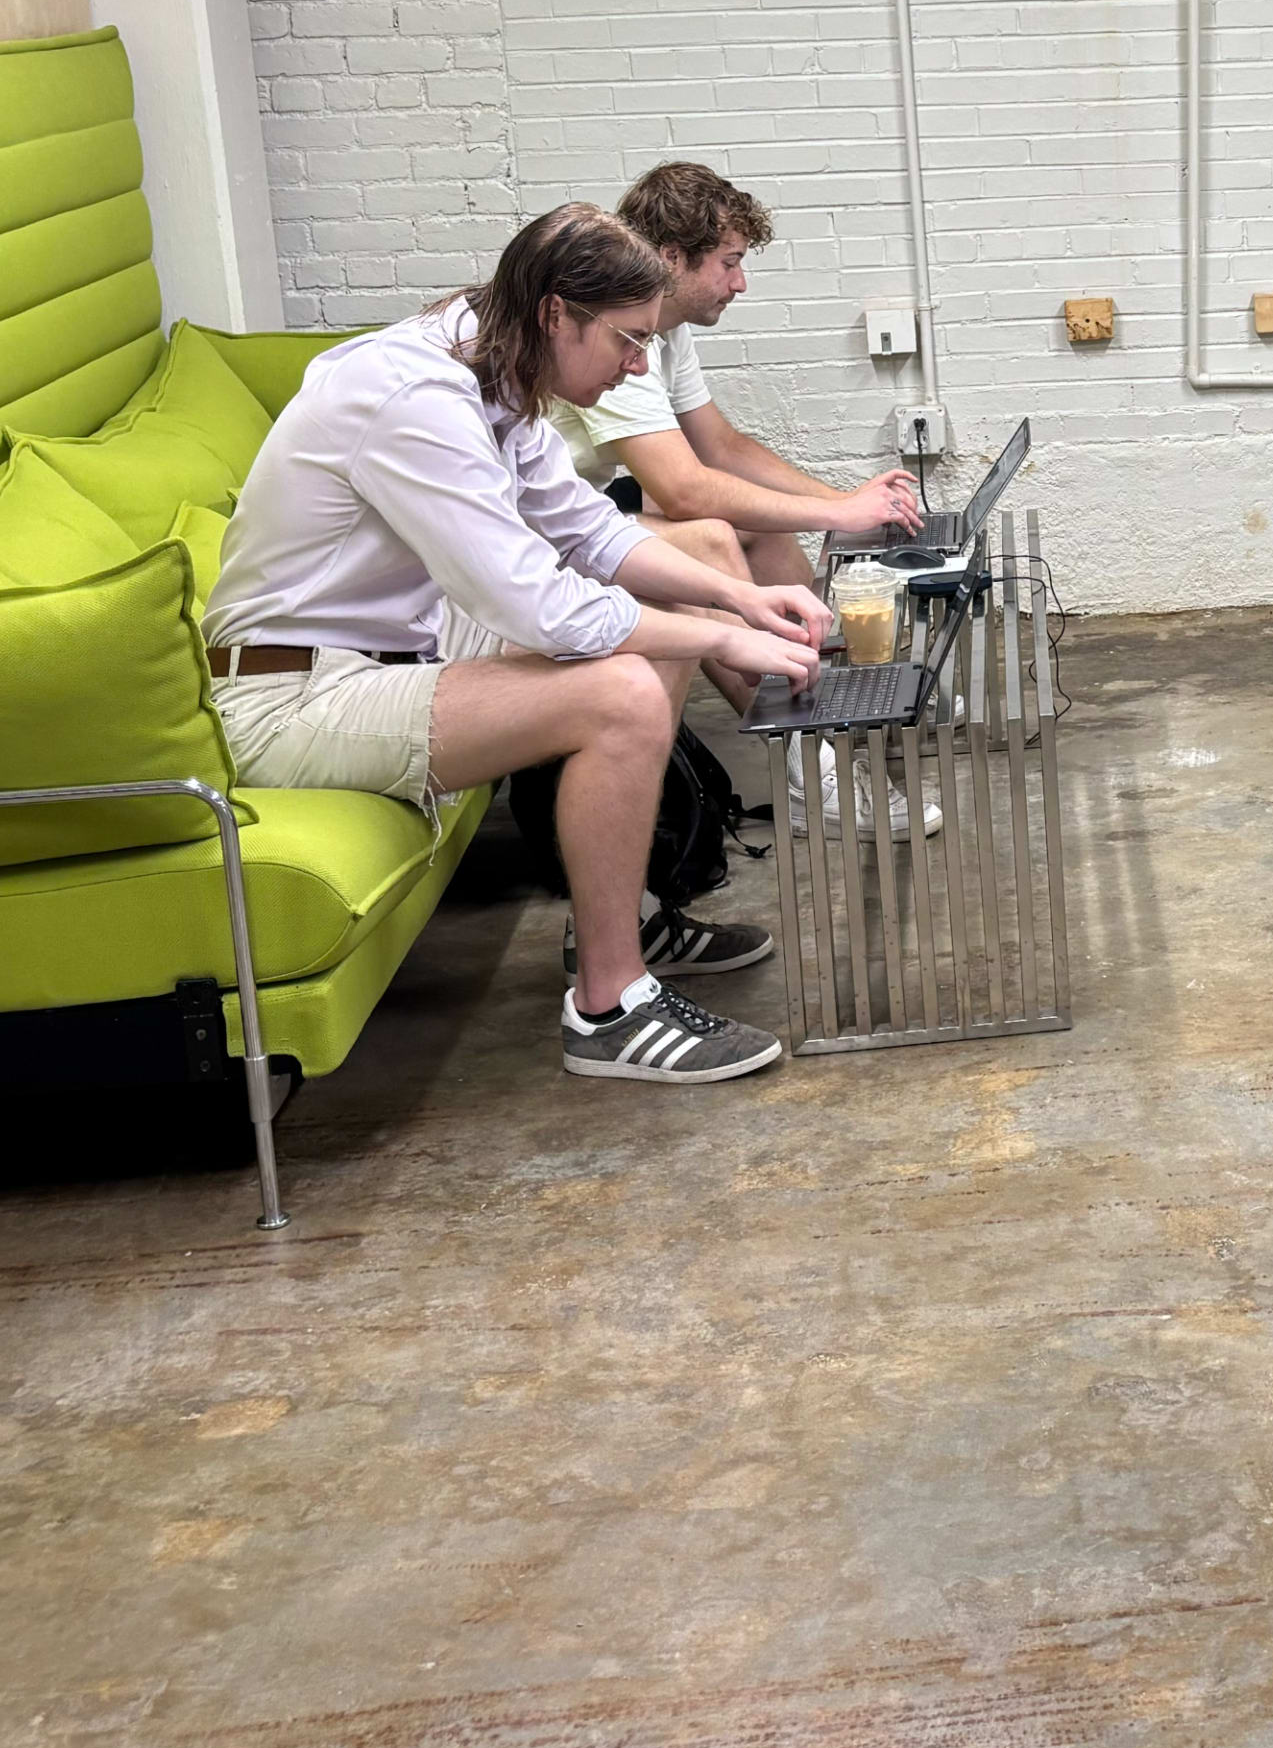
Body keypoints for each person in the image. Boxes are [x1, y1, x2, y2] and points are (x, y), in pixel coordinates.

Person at [203, 204, 827, 1087]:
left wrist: (743, 596)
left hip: (393, 650)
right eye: (627, 339)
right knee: (622, 693)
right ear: (556, 313)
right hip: (293, 699)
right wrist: (729, 634)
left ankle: (637, 915)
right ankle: (608, 1008)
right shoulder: (416, 399)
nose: (639, 363)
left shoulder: (488, 354)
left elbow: (585, 533)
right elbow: (544, 609)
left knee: (671, 573)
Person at [548, 158, 942, 841]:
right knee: (706, 536)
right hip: (547, 530)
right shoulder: (626, 330)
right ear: (672, 257)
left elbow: (722, 445)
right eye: (728, 263)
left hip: (576, 511)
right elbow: (683, 486)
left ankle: (841, 701)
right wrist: (837, 513)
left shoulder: (664, 328)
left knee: (749, 527)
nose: (740, 281)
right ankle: (805, 769)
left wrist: (847, 501)